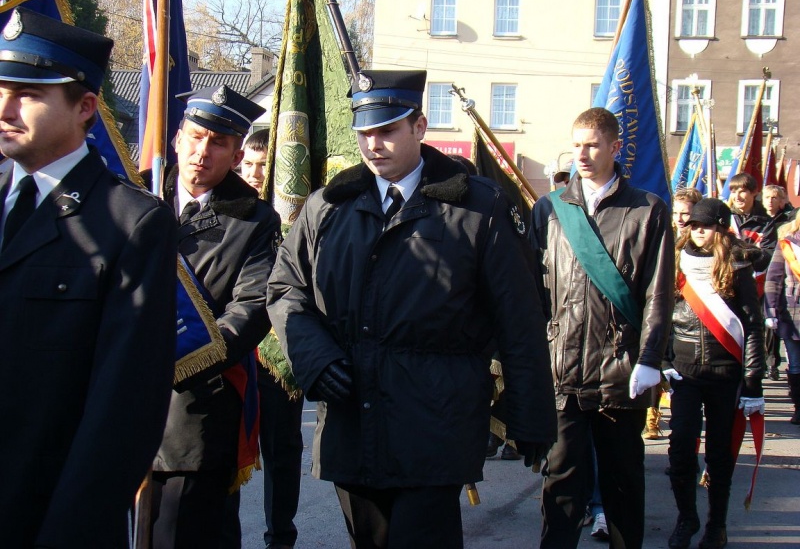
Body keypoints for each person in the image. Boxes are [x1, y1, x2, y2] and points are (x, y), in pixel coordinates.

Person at [267, 69, 557, 549]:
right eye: (364, 132)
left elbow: (519, 317)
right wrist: (315, 357)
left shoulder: (478, 207)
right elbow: (286, 288)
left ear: (419, 127)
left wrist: (531, 415)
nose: (373, 144)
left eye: (387, 130)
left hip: (436, 427)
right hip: (352, 424)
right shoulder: (328, 207)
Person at [0, 7, 177, 547]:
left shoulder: (130, 222)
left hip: (44, 512)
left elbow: (124, 408)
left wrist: (71, 531)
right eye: (0, 90)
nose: (5, 109)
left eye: (28, 94)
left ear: (85, 108)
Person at [145, 85, 283, 548]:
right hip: (116, 405)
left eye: (218, 143)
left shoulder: (254, 221)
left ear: (237, 154)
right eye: (196, 137)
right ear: (177, 138)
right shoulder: (134, 195)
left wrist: (173, 361)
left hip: (193, 411)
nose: (202, 152)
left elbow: (251, 309)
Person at [529, 107, 675, 549]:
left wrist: (649, 358)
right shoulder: (550, 209)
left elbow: (658, 293)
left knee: (623, 485)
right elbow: (534, 292)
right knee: (560, 484)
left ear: (615, 147)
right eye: (576, 145)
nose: (582, 154)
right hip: (562, 372)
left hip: (621, 370)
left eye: (592, 145)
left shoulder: (647, 210)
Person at [664, 198, 765, 549]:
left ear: (721, 228)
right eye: (693, 224)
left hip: (725, 373)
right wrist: (663, 361)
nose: (697, 230)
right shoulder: (675, 261)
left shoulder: (738, 265)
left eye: (705, 225)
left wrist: (753, 382)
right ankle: (686, 518)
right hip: (685, 374)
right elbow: (660, 314)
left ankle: (716, 525)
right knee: (680, 450)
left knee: (720, 455)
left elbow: (752, 326)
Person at [238, 129, 305, 549]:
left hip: (277, 353)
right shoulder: (231, 214)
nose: (255, 173)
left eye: (264, 165)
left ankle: (280, 536)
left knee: (282, 450)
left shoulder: (293, 219)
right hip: (234, 351)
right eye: (248, 163)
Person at [643, 187, 704, 441]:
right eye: (676, 212)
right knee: (653, 361)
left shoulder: (700, 242)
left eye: (685, 213)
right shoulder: (665, 236)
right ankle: (651, 416)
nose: (679, 218)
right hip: (662, 308)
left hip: (687, 314)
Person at [764, 207, 800, 424]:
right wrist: (771, 310)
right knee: (796, 364)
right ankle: (799, 407)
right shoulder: (787, 243)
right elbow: (773, 279)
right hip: (793, 313)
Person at [762, 184, 795, 380]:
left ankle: (772, 361)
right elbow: (774, 276)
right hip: (789, 305)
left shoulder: (787, 220)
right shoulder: (762, 221)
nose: (770, 201)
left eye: (775, 197)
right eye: (767, 197)